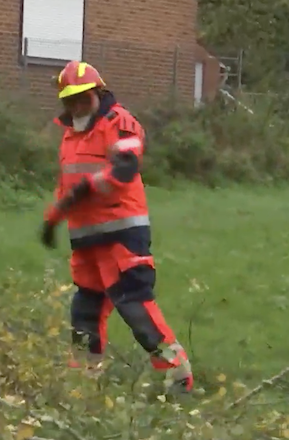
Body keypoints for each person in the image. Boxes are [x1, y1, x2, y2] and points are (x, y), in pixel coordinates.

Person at [39, 60, 194, 395]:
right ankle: (82, 383)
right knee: (85, 312)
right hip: (85, 239)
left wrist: (86, 189)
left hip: (121, 234)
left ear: (98, 93)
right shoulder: (70, 135)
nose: (78, 105)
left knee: (133, 304)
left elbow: (125, 169)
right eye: (71, 100)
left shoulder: (120, 122)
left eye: (83, 98)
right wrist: (53, 218)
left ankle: (178, 372)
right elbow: (66, 185)